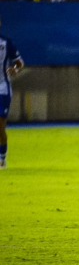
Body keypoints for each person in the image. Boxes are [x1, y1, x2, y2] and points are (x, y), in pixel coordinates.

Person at [0, 16, 23, 169]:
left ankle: (2, 159)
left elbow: (19, 62)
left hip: (2, 88)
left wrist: (15, 69)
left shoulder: (6, 43)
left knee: (0, 126)